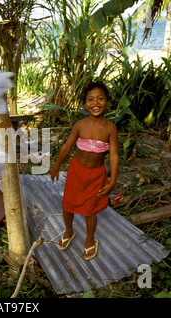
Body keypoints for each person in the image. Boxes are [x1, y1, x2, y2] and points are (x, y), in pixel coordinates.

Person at [50, 81, 119, 260]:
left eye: (100, 98)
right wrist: (56, 166)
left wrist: (112, 181)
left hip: (95, 176)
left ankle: (89, 239)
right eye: (90, 99)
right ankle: (69, 231)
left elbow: (113, 156)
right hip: (76, 171)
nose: (95, 103)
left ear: (107, 102)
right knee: (68, 204)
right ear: (84, 104)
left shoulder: (110, 129)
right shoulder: (80, 125)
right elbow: (66, 147)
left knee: (90, 210)